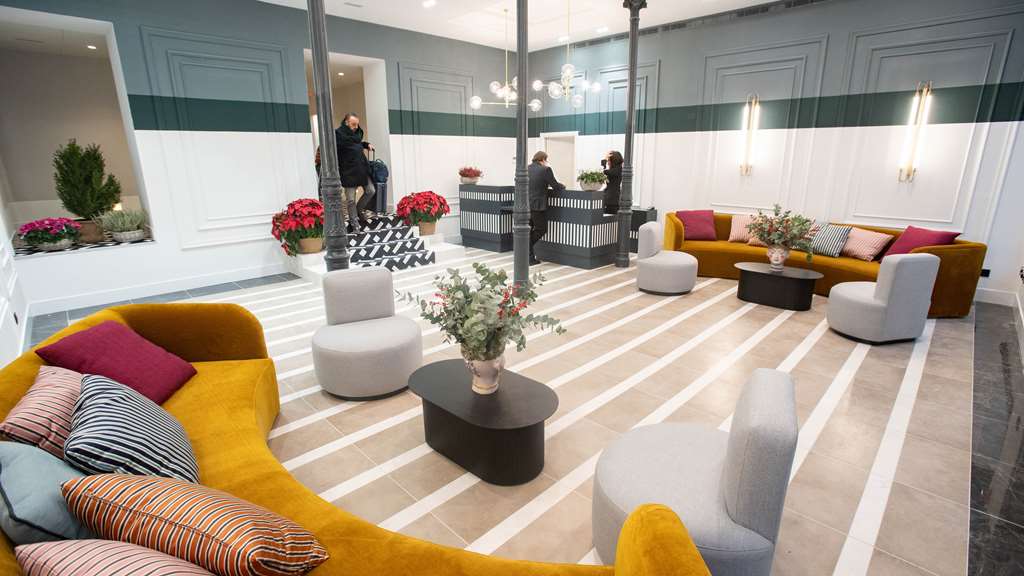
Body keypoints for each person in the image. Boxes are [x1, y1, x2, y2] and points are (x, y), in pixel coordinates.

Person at [335, 113, 375, 232]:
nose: (356, 127)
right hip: (348, 171)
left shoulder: (357, 134)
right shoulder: (338, 135)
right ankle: (354, 222)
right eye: (353, 124)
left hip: (362, 168)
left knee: (371, 190)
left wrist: (366, 144)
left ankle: (359, 209)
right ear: (346, 122)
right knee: (351, 199)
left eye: (357, 124)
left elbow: (357, 144)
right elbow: (338, 149)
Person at [527, 150, 565, 265]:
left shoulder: (526, 168)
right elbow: (555, 186)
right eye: (546, 160)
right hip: (537, 205)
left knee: (528, 231)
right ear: (543, 159)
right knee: (541, 229)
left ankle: (528, 257)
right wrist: (563, 186)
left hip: (525, 204)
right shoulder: (545, 169)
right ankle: (526, 249)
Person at [601, 150, 623, 215]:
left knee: (610, 218)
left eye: (609, 161)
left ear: (614, 161)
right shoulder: (617, 169)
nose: (608, 163)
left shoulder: (617, 170)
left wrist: (606, 158)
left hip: (612, 200)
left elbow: (604, 171)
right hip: (611, 199)